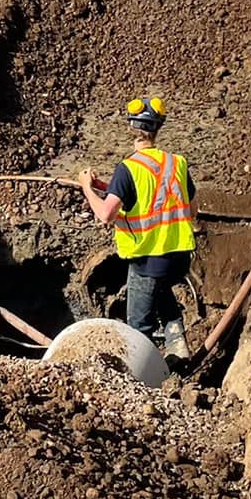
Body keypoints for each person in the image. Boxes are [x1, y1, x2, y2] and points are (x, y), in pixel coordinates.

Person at [79, 96, 196, 360]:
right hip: (178, 258)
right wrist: (108, 188)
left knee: (138, 327)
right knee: (162, 290)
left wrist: (87, 187)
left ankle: (144, 379)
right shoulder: (177, 163)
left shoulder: (128, 168)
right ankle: (178, 345)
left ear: (132, 128)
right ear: (158, 128)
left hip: (147, 259)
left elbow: (106, 214)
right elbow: (191, 209)